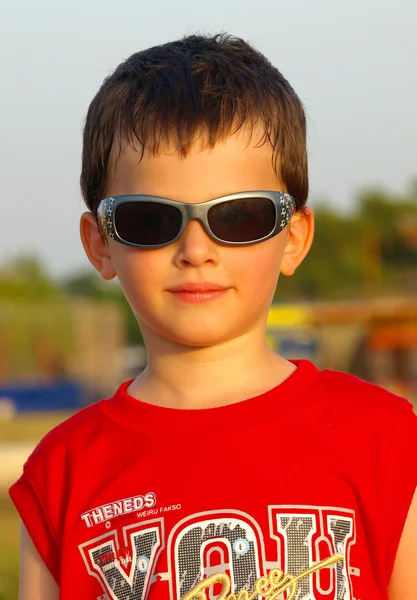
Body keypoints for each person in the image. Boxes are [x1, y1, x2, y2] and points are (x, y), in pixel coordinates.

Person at [9, 33, 417, 600]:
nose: (196, 250)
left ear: (294, 237)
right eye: (150, 220)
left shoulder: (389, 441)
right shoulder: (61, 474)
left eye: (240, 216)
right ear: (101, 243)